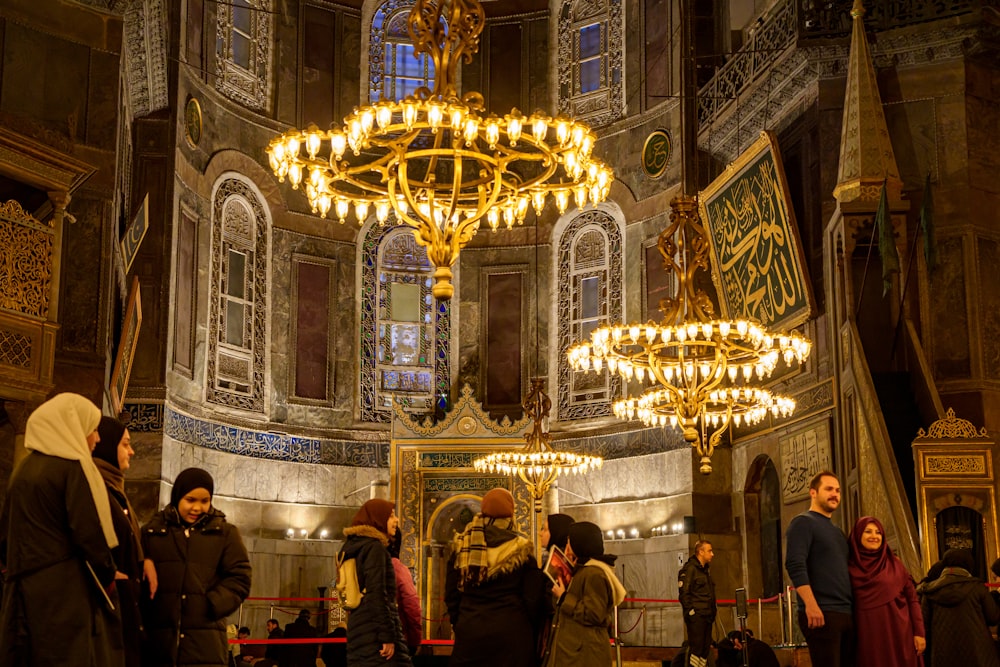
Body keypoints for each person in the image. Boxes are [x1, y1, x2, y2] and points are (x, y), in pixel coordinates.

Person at [0, 393, 123, 667]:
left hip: (21, 591)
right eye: (92, 430)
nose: (97, 439)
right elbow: (88, 533)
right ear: (73, 428)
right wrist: (108, 572)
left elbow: (5, 538)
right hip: (62, 596)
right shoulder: (71, 469)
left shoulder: (23, 469)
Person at [141, 467, 252, 667]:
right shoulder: (153, 532)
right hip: (159, 643)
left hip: (205, 645)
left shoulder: (225, 534)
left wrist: (211, 604)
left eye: (204, 501)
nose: (197, 508)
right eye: (190, 500)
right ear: (177, 497)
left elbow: (240, 578)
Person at [446, 487, 546, 667]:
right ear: (511, 514)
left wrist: (461, 623)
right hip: (512, 635)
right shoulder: (522, 549)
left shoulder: (463, 546)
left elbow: (451, 595)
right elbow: (533, 600)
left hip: (471, 633)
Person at [93, 415, 149, 667]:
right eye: (125, 444)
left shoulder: (114, 491)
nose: (132, 451)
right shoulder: (94, 489)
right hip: (104, 614)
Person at [784, 470, 854, 667]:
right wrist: (811, 605)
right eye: (829, 489)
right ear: (813, 492)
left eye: (838, 490)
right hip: (821, 613)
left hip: (844, 613)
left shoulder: (837, 532)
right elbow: (795, 565)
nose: (835, 494)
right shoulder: (803, 523)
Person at [338, 498, 411, 666]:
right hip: (376, 636)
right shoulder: (375, 548)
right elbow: (377, 594)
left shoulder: (351, 547)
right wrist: (387, 636)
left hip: (359, 631)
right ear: (378, 519)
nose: (397, 520)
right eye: (391, 516)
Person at [543, 521, 626, 667]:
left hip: (585, 655)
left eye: (570, 542)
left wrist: (564, 597)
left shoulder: (594, 573)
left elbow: (594, 614)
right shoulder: (583, 570)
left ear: (580, 544)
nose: (567, 547)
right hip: (575, 653)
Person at [847, 516, 924, 667]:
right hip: (867, 637)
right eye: (868, 532)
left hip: (900, 634)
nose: (874, 536)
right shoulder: (848, 567)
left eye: (878, 533)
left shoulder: (895, 564)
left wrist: (919, 632)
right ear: (857, 535)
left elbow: (912, 599)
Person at [919, 548, 1000, 667]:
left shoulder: (930, 590)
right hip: (978, 653)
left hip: (942, 653)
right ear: (969, 565)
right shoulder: (977, 588)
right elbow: (993, 618)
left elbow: (924, 625)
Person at [678, 540, 716, 667]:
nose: (712, 554)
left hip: (707, 616)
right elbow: (684, 594)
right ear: (701, 552)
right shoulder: (690, 569)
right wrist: (691, 613)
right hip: (697, 616)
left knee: (704, 650)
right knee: (696, 650)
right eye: (709, 551)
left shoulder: (705, 571)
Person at [388, 529, 422, 655]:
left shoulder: (365, 566)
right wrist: (414, 640)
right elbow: (411, 606)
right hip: (395, 639)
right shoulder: (398, 568)